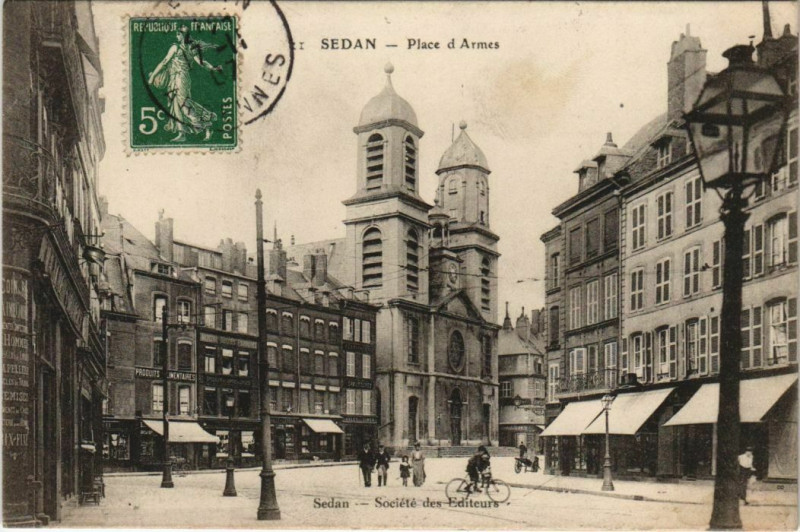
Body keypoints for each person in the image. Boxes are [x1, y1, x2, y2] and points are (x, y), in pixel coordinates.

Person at [147, 26, 222, 142]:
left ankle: (207, 124)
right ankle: (182, 133)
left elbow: (164, 62)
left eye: (178, 34)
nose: (176, 36)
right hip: (178, 78)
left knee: (183, 104)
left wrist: (152, 77)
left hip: (180, 78)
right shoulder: (192, 48)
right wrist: (213, 68)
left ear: (181, 35)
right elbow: (202, 63)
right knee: (176, 105)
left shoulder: (175, 47)